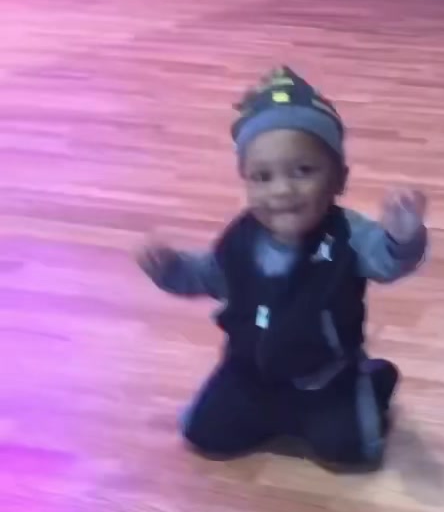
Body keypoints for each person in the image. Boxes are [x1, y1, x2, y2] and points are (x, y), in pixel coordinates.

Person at [138, 67, 428, 470]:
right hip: (249, 373)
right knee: (202, 432)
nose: (282, 190)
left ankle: (372, 381)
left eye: (303, 171)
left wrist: (403, 238)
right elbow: (212, 276)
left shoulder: (348, 234)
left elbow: (387, 260)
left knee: (354, 452)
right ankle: (271, 414)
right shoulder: (241, 237)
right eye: (262, 177)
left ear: (339, 179)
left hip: (324, 379)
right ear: (245, 182)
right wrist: (172, 271)